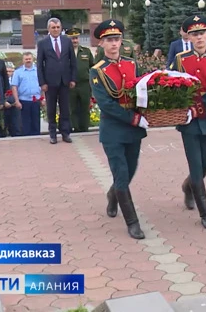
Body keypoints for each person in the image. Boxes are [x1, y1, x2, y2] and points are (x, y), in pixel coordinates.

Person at [90, 19, 149, 239]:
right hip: (113, 130)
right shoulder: (98, 71)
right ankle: (132, 222)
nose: (114, 44)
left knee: (130, 170)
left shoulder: (132, 65)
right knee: (121, 173)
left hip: (134, 131)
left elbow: (144, 90)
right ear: (102, 44)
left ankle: (113, 195)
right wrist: (134, 119)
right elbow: (106, 104)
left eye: (116, 39)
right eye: (109, 40)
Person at [174, 14, 206, 231]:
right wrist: (186, 105)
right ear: (189, 37)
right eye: (194, 34)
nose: (199, 37)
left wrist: (200, 105)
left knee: (205, 164)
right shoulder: (180, 59)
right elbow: (171, 83)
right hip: (188, 122)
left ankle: (188, 187)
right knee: (195, 166)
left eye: (202, 33)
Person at [37, 18, 77, 144]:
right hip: (50, 82)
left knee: (65, 108)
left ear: (61, 28)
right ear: (49, 29)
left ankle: (65, 133)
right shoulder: (43, 43)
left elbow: (73, 62)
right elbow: (39, 64)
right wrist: (42, 82)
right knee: (51, 109)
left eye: (58, 27)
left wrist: (73, 78)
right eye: (53, 27)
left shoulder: (67, 41)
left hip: (65, 81)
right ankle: (53, 134)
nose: (56, 29)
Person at [68, 28, 95, 133]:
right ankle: (75, 128)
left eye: (76, 38)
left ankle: (84, 128)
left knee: (85, 107)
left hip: (84, 84)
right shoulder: (65, 52)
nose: (74, 41)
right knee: (72, 108)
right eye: (72, 39)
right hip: (70, 85)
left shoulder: (86, 51)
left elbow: (92, 67)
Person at [11, 53, 43, 136]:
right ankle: (28, 142)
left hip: (36, 100)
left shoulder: (38, 71)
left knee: (36, 123)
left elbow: (43, 85)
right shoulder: (18, 72)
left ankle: (37, 141)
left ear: (33, 59)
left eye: (29, 59)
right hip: (24, 101)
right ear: (23, 60)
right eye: (26, 59)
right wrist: (17, 101)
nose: (28, 60)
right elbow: (14, 87)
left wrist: (44, 98)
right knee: (25, 124)